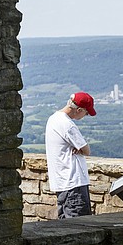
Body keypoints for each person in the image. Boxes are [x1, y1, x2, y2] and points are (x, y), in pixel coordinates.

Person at [45, 91, 96, 219]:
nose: (86, 115)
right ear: (79, 110)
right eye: (86, 112)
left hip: (62, 184)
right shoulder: (68, 125)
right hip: (74, 184)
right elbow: (87, 150)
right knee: (80, 227)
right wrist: (81, 149)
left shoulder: (53, 119)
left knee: (66, 228)